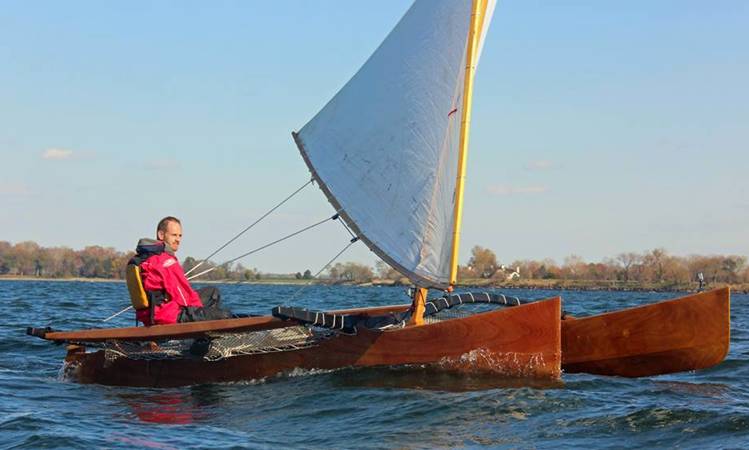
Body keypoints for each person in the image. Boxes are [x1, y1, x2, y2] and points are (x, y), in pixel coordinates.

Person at [132, 216, 232, 326]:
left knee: (213, 292)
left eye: (180, 236)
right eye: (174, 235)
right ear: (161, 235)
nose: (178, 240)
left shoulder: (142, 258)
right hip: (168, 316)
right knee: (225, 315)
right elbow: (183, 296)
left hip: (151, 315)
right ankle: (201, 337)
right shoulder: (166, 261)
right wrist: (201, 313)